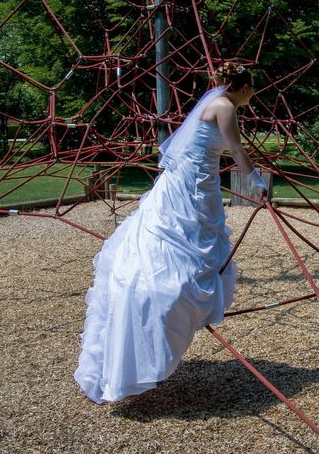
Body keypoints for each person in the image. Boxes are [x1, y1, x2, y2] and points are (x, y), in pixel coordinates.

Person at [74, 62, 268, 403]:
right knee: (179, 257)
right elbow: (236, 150)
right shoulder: (224, 106)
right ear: (241, 85)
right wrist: (256, 181)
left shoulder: (215, 102)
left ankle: (171, 312)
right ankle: (160, 323)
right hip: (192, 188)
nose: (254, 92)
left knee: (184, 248)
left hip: (195, 185)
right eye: (252, 86)